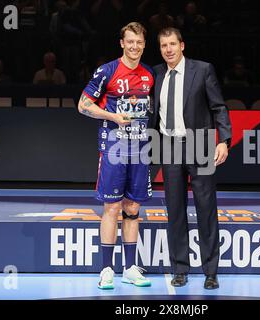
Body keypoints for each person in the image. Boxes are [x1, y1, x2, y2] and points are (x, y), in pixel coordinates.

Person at [151, 27, 232, 290]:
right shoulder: (157, 73)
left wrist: (224, 140)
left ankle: (211, 271)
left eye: (173, 44)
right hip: (168, 145)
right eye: (164, 45)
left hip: (200, 144)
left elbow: (218, 106)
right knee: (175, 210)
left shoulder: (203, 69)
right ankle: (180, 269)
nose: (168, 50)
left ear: (182, 45)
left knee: (206, 209)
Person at [77, 22, 153, 290]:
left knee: (133, 208)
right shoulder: (107, 71)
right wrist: (111, 116)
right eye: (129, 41)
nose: (134, 46)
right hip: (113, 148)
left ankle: (130, 268)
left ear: (144, 44)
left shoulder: (149, 75)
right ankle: (106, 269)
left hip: (141, 150)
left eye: (139, 42)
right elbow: (82, 105)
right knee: (111, 207)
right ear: (122, 43)